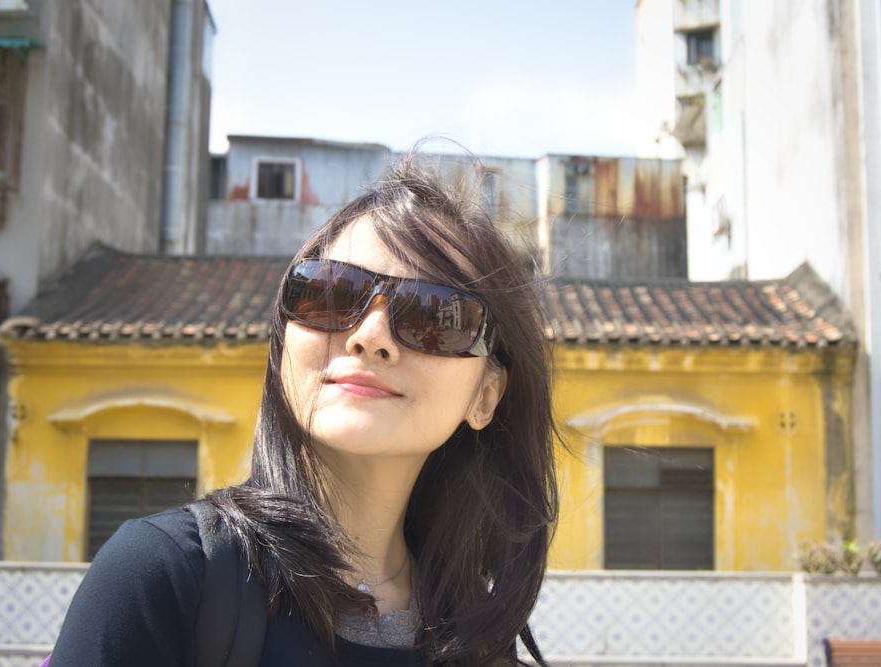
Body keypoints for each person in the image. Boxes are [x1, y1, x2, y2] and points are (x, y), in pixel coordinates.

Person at [48, 151, 560, 666]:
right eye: (332, 293)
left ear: (486, 396)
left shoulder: (475, 632)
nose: (369, 336)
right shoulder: (163, 575)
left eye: (434, 315)